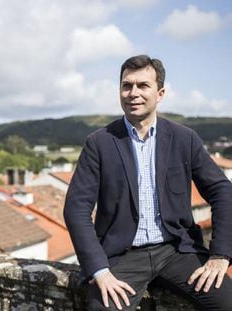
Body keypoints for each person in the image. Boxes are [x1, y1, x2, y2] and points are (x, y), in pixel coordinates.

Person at [64, 55, 232, 310]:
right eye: (126, 85)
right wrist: (99, 270)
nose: (133, 93)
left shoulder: (184, 138)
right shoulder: (99, 143)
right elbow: (76, 209)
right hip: (122, 256)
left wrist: (220, 254)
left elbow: (222, 191)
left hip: (177, 250)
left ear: (160, 93)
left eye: (143, 85)